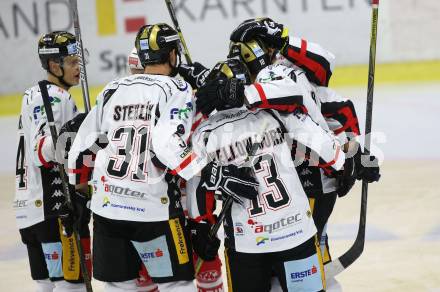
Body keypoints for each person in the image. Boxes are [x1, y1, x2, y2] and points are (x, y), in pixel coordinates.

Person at [67, 23, 215, 292]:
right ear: (172, 55)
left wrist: (78, 194)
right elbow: (167, 144)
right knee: (177, 285)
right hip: (152, 210)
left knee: (117, 286)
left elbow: (82, 149)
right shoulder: (177, 89)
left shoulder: (113, 89)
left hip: (107, 209)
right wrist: (202, 168)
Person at [187, 59, 347, 291]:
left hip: (247, 243)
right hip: (296, 234)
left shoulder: (204, 133)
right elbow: (332, 154)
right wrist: (342, 162)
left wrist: (200, 228)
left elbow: (198, 189)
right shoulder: (276, 113)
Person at [13, 31, 91, 292]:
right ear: (55, 66)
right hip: (53, 209)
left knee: (46, 286)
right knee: (73, 286)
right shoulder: (58, 97)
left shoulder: (31, 94)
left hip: (28, 210)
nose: (78, 68)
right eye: (72, 63)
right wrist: (74, 129)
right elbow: (42, 151)